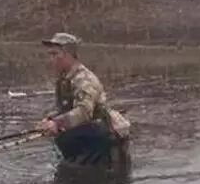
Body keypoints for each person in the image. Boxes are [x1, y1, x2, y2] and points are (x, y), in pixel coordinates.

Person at [36, 32, 131, 170]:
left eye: (55, 54)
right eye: (50, 55)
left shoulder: (85, 80)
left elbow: (84, 112)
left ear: (69, 55)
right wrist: (49, 120)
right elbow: (67, 108)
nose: (51, 59)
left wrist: (57, 123)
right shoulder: (65, 79)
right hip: (82, 142)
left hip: (99, 146)